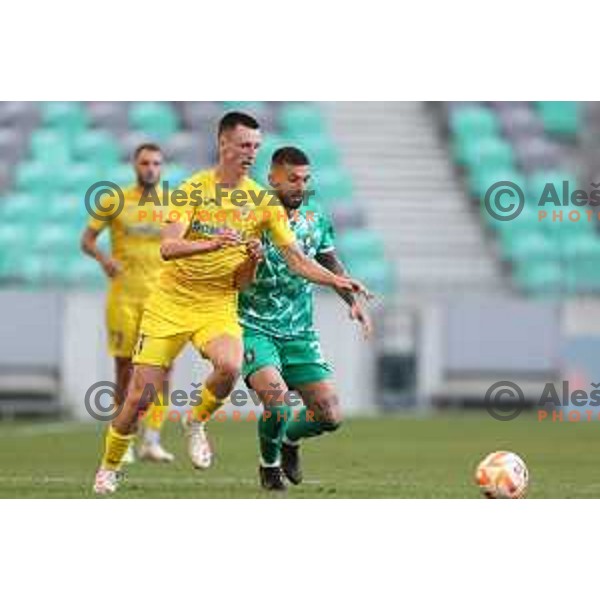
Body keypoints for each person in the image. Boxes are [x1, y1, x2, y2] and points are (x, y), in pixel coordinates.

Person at [93, 112, 369, 494]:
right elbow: (168, 247)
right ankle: (109, 466)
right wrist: (211, 242)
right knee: (141, 394)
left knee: (229, 365)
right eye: (244, 145)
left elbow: (296, 259)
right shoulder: (191, 189)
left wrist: (338, 281)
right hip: (170, 301)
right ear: (223, 144)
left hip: (218, 302)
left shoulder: (261, 202)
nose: (251, 153)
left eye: (256, 146)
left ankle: (196, 420)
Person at [237, 146, 372, 490]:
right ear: (272, 179)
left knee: (329, 416)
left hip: (299, 332)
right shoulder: (251, 215)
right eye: (292, 179)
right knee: (278, 403)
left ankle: (288, 443)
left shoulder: (315, 218)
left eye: (306, 179)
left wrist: (352, 300)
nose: (300, 186)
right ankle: (269, 468)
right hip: (254, 326)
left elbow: (330, 263)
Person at [81, 143, 174, 465]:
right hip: (124, 297)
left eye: (156, 163)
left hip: (161, 299)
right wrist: (104, 259)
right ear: (135, 165)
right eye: (145, 162)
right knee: (125, 370)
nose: (150, 168)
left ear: (162, 168)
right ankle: (123, 436)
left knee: (162, 369)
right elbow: (87, 240)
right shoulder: (115, 199)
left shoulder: (172, 205)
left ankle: (153, 439)